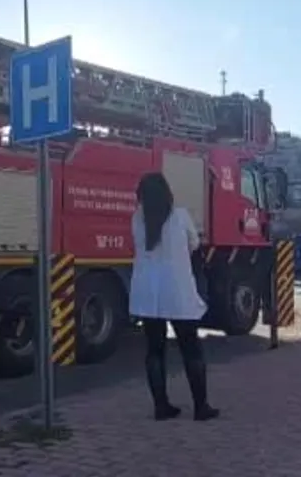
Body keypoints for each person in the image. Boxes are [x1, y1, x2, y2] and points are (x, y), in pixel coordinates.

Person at [129, 172, 220, 422]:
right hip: (177, 292)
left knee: (154, 350)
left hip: (147, 294)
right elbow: (194, 244)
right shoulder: (180, 216)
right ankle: (201, 407)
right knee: (191, 349)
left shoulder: (137, 219)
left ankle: (161, 407)